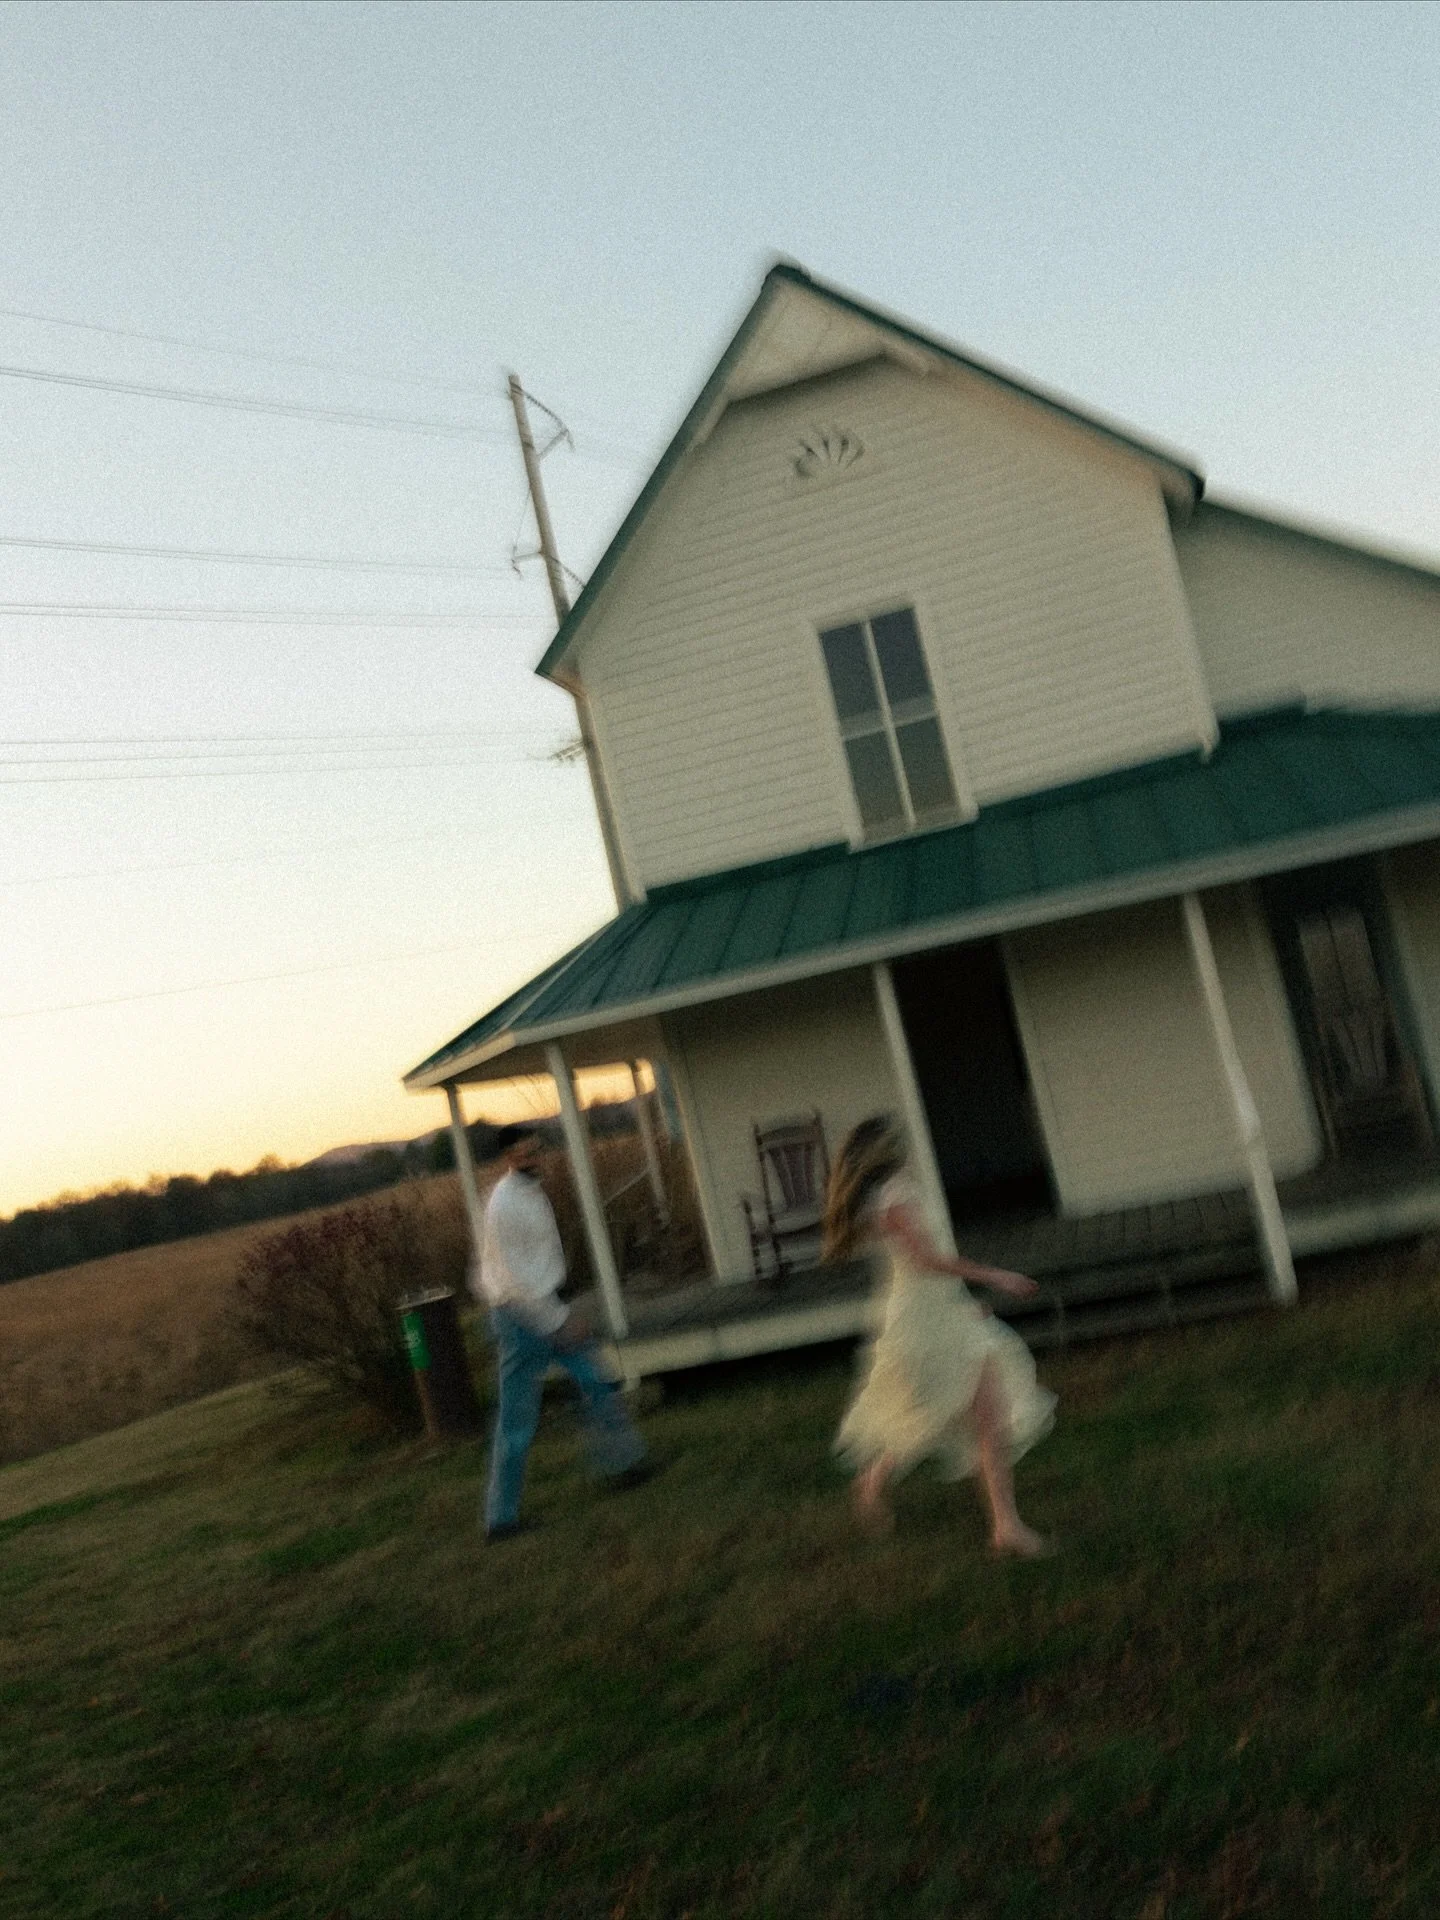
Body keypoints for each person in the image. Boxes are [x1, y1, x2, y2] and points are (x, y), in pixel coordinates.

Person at [827, 1116, 1056, 1552]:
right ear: (889, 1149)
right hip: (922, 1321)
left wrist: (963, 1304)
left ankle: (1004, 1526)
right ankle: (1000, 1524)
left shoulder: (884, 1194)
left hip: (931, 1313)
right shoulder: (895, 1194)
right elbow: (925, 1260)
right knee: (949, 1411)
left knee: (977, 1412)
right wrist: (995, 1275)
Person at [473, 1123, 650, 1541]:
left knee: (597, 1382)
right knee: (517, 1421)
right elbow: (511, 1281)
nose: (534, 1158)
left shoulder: (530, 1192)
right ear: (508, 1158)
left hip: (543, 1305)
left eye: (536, 1149)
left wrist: (558, 1309)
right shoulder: (504, 1205)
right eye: (523, 1153)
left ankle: (622, 1465)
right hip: (521, 1318)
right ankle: (500, 1520)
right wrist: (559, 1321)